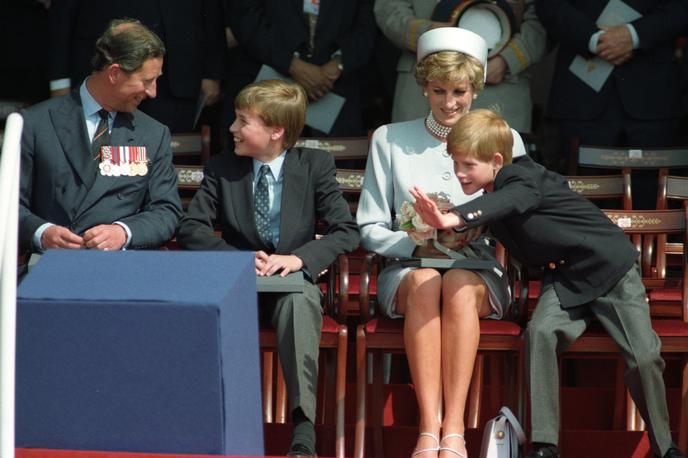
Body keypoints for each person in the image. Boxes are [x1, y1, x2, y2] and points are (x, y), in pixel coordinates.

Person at [409, 109, 687, 458]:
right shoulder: (493, 192)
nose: (460, 173)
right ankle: (545, 445)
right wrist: (442, 228)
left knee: (644, 355)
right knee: (539, 334)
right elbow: (495, 213)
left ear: (497, 160)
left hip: (609, 269)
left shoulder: (523, 177)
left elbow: (507, 201)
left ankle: (666, 448)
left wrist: (456, 216)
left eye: (468, 165)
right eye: (456, 164)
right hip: (566, 278)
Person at [356, 27, 528, 458]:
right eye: (439, 91)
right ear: (423, 88)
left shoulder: (506, 139)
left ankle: (454, 428)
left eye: (460, 91)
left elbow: (522, 212)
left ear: (476, 88)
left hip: (479, 270)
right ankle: (427, 428)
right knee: (430, 281)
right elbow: (370, 226)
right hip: (409, 269)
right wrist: (416, 244)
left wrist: (475, 229)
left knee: (455, 286)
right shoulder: (389, 138)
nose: (450, 103)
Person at [177, 79, 359, 458]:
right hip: (236, 282)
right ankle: (215, 427)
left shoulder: (314, 165)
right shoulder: (223, 167)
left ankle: (303, 430)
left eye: (244, 121)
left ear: (276, 131)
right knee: (211, 310)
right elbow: (192, 228)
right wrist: (237, 259)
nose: (233, 128)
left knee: (298, 303)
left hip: (290, 281)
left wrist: (300, 259)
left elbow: (345, 231)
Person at [19, 19, 182, 255]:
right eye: (146, 81)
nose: (153, 92)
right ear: (114, 73)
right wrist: (42, 233)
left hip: (122, 268)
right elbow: (9, 203)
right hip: (51, 264)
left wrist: (123, 232)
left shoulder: (153, 134)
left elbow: (166, 211)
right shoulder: (35, 123)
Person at [535, 0, 688, 200]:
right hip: (581, 93)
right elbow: (549, 5)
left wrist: (634, 36)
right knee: (580, 199)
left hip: (653, 95)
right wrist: (595, 38)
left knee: (652, 200)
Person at [48, 0, 227, 133]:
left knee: (167, 154)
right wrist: (59, 79)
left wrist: (212, 72)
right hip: (107, 68)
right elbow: (62, 14)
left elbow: (211, 11)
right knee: (98, 154)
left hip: (177, 74)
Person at [374, 0, 546, 133]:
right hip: (422, 89)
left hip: (499, 85)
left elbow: (542, 18)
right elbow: (389, 9)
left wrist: (507, 60)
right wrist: (433, 35)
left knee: (495, 171)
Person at [222, 0, 376, 140]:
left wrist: (338, 63)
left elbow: (369, 22)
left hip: (335, 90)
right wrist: (292, 64)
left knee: (336, 165)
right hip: (268, 80)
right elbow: (245, 17)